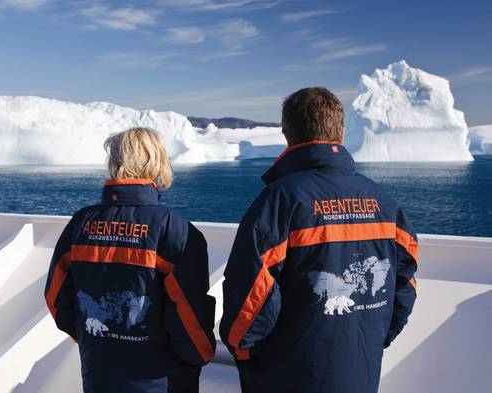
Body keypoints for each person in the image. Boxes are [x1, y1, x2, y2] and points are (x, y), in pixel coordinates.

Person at [220, 87, 418, 393]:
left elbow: (250, 296)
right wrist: (374, 337)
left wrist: (246, 354)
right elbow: (405, 284)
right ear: (340, 132)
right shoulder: (385, 203)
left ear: (287, 134)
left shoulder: (279, 201)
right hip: (360, 372)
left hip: (286, 375)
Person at [45, 127, 216, 393]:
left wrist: (94, 338)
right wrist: (200, 356)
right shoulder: (175, 230)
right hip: (162, 380)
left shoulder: (81, 224)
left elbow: (56, 297)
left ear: (114, 162)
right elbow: (189, 316)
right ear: (157, 162)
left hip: (99, 373)